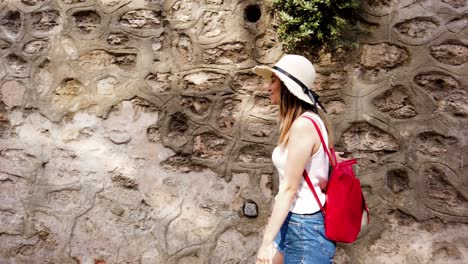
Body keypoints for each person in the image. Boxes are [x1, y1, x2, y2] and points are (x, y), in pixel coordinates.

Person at [253, 54, 336, 264]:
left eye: (273, 80)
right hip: (293, 221)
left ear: (288, 87)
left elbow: (289, 189)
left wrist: (266, 241)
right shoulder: (308, 122)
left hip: (304, 227)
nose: (267, 86)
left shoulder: (303, 126)